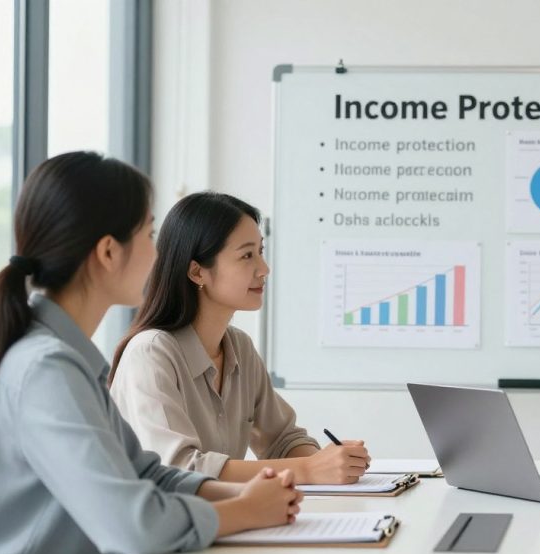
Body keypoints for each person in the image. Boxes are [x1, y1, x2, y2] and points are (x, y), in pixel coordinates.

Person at [0, 152, 302, 554]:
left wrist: (245, 494)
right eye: (149, 233)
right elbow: (133, 525)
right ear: (109, 252)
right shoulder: (47, 369)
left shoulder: (67, 360)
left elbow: (145, 473)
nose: (158, 252)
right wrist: (245, 510)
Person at [109, 192, 369, 484]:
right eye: (247, 255)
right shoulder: (151, 354)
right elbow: (180, 470)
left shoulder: (239, 347)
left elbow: (282, 439)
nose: (264, 269)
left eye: (261, 251)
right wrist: (309, 469)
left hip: (222, 512)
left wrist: (333, 464)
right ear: (197, 272)